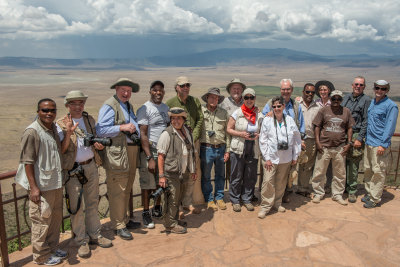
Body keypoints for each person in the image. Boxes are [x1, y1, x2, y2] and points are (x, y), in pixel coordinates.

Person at [56, 91, 112, 258]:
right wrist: (68, 132)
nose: (78, 106)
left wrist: (98, 146)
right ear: (67, 105)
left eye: (80, 103)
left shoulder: (88, 120)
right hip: (73, 170)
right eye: (74, 103)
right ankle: (81, 240)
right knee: (77, 207)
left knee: (93, 202)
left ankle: (95, 234)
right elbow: (62, 149)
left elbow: (92, 140)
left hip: (91, 166)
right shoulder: (60, 123)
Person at [15, 99, 67, 265]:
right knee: (41, 222)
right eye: (45, 110)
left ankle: (52, 248)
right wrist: (34, 188)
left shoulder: (52, 128)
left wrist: (69, 133)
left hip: (55, 183)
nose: (49, 113)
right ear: (38, 111)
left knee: (54, 220)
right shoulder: (32, 132)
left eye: (52, 110)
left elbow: (59, 151)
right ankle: (41, 256)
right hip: (42, 186)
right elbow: (27, 162)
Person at [96, 78, 141, 241]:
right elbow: (100, 130)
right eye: (123, 89)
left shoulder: (127, 105)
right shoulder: (110, 105)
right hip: (117, 153)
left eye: (129, 90)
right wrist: (122, 127)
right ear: (116, 89)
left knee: (126, 188)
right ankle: (118, 225)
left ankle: (125, 219)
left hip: (129, 151)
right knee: (118, 189)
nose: (126, 93)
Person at [262, 79, 305, 203]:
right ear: (280, 90)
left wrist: (301, 141)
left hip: (288, 148)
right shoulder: (271, 103)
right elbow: (263, 120)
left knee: (286, 175)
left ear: (291, 90)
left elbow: (300, 124)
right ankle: (267, 201)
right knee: (269, 177)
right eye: (283, 89)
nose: (285, 92)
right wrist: (268, 115)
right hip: (273, 149)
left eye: (288, 89)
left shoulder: (296, 106)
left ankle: (282, 197)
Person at [258, 96, 302, 219]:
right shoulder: (267, 121)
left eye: (279, 106)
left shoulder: (290, 120)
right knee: (268, 182)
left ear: (283, 106)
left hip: (286, 158)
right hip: (271, 158)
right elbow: (263, 140)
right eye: (274, 106)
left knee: (281, 182)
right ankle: (265, 206)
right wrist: (266, 157)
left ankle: (277, 203)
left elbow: (296, 138)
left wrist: (295, 155)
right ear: (272, 107)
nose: (277, 108)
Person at [166, 76, 203, 214]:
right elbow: (167, 122)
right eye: (182, 86)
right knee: (178, 174)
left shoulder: (194, 101)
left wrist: (193, 136)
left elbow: (199, 119)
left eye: (187, 85)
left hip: (193, 143)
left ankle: (187, 203)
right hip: (176, 143)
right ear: (176, 87)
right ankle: (178, 206)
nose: (186, 88)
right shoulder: (170, 102)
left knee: (191, 172)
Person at [157, 107, 197, 234]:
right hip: (171, 172)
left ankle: (173, 220)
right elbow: (160, 156)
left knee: (178, 197)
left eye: (179, 118)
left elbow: (191, 152)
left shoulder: (186, 131)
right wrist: (162, 176)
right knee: (172, 199)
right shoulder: (167, 134)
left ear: (184, 119)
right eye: (173, 118)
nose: (176, 121)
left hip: (183, 171)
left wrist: (193, 169)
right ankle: (169, 224)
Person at [311, 90, 355, 205]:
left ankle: (337, 194)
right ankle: (318, 193)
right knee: (319, 172)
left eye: (338, 99)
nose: (336, 101)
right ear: (330, 99)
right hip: (324, 146)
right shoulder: (323, 111)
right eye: (334, 99)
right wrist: (317, 142)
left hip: (339, 147)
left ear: (342, 100)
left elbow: (350, 127)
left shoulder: (346, 111)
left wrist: (349, 143)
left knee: (340, 173)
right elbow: (317, 126)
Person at [137, 81, 169, 228]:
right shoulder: (145, 108)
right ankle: (145, 212)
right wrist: (149, 157)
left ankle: (156, 207)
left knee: (159, 181)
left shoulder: (165, 108)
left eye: (160, 90)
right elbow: (143, 134)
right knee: (147, 183)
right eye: (155, 90)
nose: (158, 93)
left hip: (163, 151)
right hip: (150, 149)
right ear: (150, 91)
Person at [227, 88, 264, 212]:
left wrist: (259, 135)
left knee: (250, 175)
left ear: (254, 99)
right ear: (243, 98)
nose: (249, 100)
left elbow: (265, 129)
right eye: (246, 97)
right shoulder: (237, 113)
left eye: (251, 97)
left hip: (253, 147)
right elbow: (229, 129)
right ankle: (235, 200)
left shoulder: (259, 114)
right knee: (236, 175)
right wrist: (241, 134)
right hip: (238, 147)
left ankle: (247, 199)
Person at [363, 80, 398, 208]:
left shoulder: (391, 106)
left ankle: (374, 198)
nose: (379, 91)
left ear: (387, 90)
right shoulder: (373, 102)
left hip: (379, 144)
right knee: (368, 169)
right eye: (377, 88)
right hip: (369, 142)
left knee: (378, 171)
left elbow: (390, 126)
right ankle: (369, 192)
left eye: (382, 89)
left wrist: (383, 144)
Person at [199, 87, 230, 211]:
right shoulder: (201, 111)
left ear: (219, 99)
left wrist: (227, 150)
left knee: (220, 175)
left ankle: (220, 198)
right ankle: (209, 199)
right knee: (206, 176)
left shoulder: (223, 113)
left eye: (216, 97)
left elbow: (227, 133)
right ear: (207, 98)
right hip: (206, 148)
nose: (214, 99)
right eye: (211, 97)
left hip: (221, 148)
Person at [341, 76, 371, 203]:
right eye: (356, 84)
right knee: (341, 163)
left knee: (353, 165)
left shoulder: (366, 100)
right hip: (343, 134)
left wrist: (359, 138)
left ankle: (352, 190)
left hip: (356, 134)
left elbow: (366, 121)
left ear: (364, 87)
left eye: (361, 85)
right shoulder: (346, 98)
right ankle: (343, 188)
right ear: (352, 85)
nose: (358, 87)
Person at [219, 78, 246, 195]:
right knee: (232, 169)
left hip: (244, 140)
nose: (236, 90)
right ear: (229, 90)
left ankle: (243, 192)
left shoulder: (247, 101)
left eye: (239, 88)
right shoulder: (223, 103)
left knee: (244, 168)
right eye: (234, 88)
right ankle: (234, 193)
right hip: (228, 139)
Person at [296, 83, 320, 197]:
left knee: (307, 164)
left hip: (310, 139)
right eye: (307, 92)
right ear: (303, 92)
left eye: (312, 92)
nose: (310, 94)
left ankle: (302, 188)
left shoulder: (318, 107)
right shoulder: (297, 105)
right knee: (291, 163)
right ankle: (288, 188)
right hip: (296, 139)